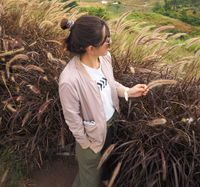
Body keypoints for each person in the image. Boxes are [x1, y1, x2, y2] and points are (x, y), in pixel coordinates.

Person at [59, 15, 149, 187]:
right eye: (106, 40)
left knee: (100, 169)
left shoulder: (105, 58)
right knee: (90, 178)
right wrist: (85, 144)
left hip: (110, 125)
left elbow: (109, 82)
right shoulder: (69, 80)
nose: (110, 42)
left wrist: (128, 92)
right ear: (91, 48)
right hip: (91, 136)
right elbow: (72, 117)